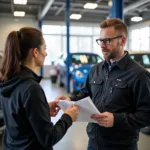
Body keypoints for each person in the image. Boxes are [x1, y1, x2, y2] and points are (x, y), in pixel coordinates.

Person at [56, 18, 150, 150]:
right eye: (100, 40)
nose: (102, 45)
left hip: (121, 146)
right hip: (93, 143)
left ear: (122, 41)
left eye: (107, 40)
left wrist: (116, 120)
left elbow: (146, 115)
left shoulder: (139, 74)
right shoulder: (96, 69)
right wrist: (69, 100)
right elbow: (85, 94)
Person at [0, 27, 78, 150]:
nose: (46, 53)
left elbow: (18, 118)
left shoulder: (8, 80)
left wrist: (43, 109)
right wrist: (68, 117)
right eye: (45, 48)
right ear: (35, 52)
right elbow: (49, 138)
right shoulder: (31, 88)